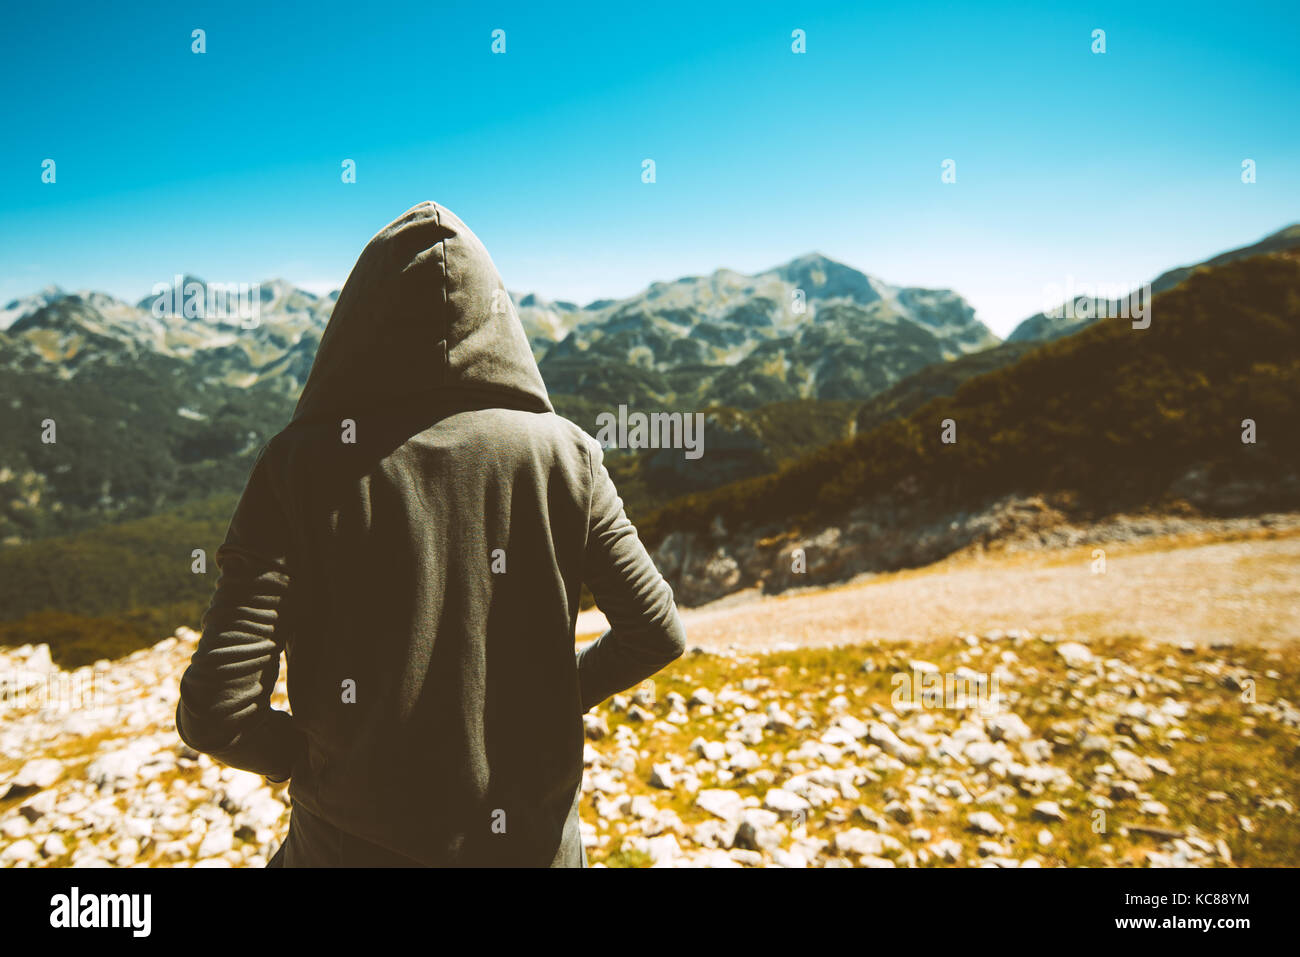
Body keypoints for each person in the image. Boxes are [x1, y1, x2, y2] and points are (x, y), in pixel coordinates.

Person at [175, 201, 687, 867]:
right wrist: (557, 699)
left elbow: (216, 709)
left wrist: (306, 758)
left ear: (357, 320)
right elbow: (657, 629)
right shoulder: (568, 456)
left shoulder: (296, 468)